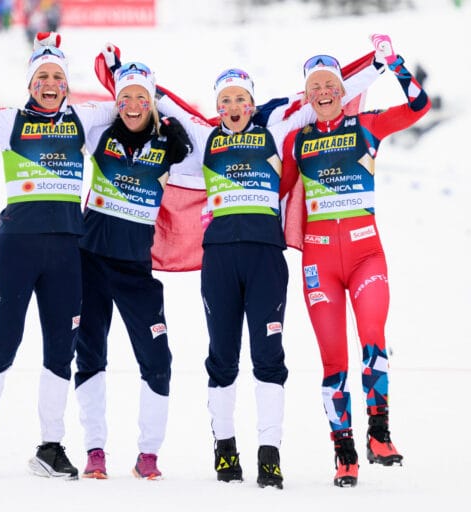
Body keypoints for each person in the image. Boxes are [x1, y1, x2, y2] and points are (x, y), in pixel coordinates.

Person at [155, 59, 381, 489]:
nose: (233, 105)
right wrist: (127, 77)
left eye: (241, 98)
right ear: (218, 107)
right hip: (220, 260)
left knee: (269, 357)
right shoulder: (206, 139)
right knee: (222, 357)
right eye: (226, 100)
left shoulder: (275, 134)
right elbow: (169, 106)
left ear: (252, 104)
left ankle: (269, 454)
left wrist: (377, 66)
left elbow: (325, 95)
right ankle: (224, 449)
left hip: (266, 261)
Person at [0, 32, 116, 478]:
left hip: (67, 254)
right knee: (3, 342)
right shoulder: (9, 121)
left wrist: (120, 76)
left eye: (56, 76)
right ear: (30, 84)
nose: (49, 83)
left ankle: (49, 448)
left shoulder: (85, 119)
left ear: (67, 84)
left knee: (60, 349)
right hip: (17, 249)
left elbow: (134, 105)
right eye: (41, 77)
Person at [281, 34, 431, 488]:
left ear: (343, 91)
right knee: (334, 362)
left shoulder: (365, 126)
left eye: (331, 84)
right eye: (315, 88)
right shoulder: (296, 140)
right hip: (319, 261)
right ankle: (344, 454)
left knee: (373, 340)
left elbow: (418, 107)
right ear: (307, 97)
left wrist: (396, 64)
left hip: (367, 253)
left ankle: (379, 434)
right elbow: (277, 193)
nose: (324, 92)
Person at [73, 61, 193, 481]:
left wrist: (177, 126)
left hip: (135, 270)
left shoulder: (167, 145)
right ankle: (94, 450)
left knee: (158, 358)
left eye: (143, 98)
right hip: (89, 261)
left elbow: (212, 145)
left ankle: (148, 454)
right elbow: (79, 116)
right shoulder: (100, 134)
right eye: (126, 98)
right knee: (89, 355)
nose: (133, 106)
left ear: (153, 101)